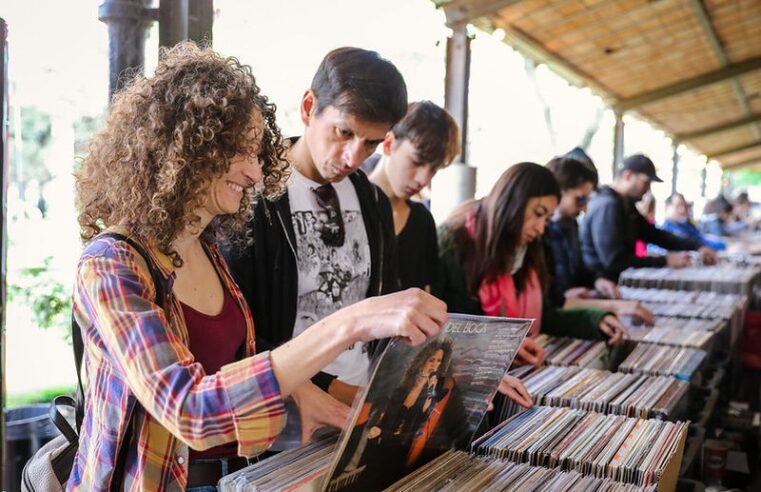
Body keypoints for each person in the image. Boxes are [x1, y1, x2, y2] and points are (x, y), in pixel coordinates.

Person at [69, 43, 447, 491]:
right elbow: (191, 412)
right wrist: (350, 324)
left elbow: (241, 365)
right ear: (183, 150)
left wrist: (309, 399)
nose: (253, 173)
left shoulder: (204, 248)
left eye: (255, 153)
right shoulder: (110, 265)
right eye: (238, 153)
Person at [229, 47, 407, 408]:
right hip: (279, 418)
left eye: (371, 143)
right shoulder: (251, 194)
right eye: (344, 132)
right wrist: (330, 388)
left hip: (361, 401)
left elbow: (387, 307)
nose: (354, 158)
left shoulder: (372, 201)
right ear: (309, 108)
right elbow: (237, 330)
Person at [434, 162, 628, 365]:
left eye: (546, 219)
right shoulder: (451, 243)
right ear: (512, 202)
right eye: (538, 213)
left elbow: (546, 318)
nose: (540, 228)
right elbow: (434, 330)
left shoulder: (529, 250)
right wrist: (498, 344)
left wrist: (597, 320)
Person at [544, 155, 654, 324]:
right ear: (558, 192)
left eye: (587, 199)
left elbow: (579, 269)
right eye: (580, 199)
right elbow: (547, 300)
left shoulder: (571, 225)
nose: (585, 207)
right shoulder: (538, 232)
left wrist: (597, 280)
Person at [366, 100, 460, 290]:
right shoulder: (346, 205)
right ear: (389, 143)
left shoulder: (422, 222)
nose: (423, 179)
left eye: (433, 170)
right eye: (417, 161)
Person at [580, 154, 718, 282]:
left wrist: (697, 246)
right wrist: (664, 261)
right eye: (645, 182)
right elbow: (614, 260)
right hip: (601, 286)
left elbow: (655, 235)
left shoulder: (625, 204)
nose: (647, 189)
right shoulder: (608, 205)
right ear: (628, 176)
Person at [661, 192, 726, 251]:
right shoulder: (664, 230)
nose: (682, 209)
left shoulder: (686, 225)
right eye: (678, 206)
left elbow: (701, 240)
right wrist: (723, 246)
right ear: (667, 208)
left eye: (684, 206)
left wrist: (723, 244)